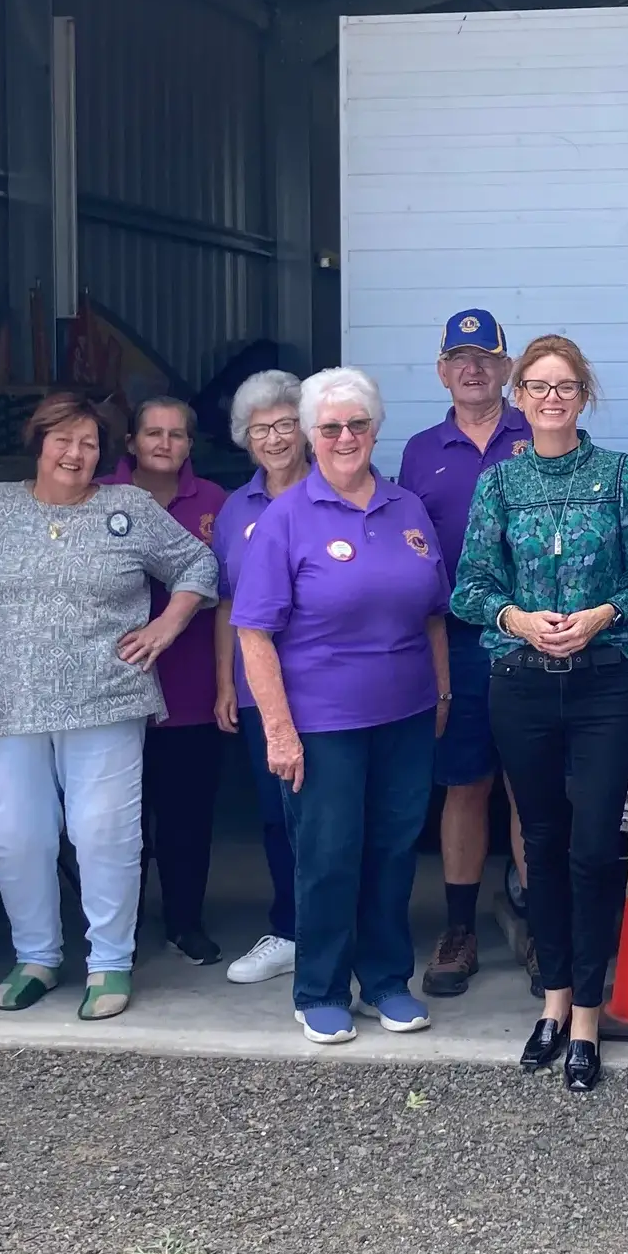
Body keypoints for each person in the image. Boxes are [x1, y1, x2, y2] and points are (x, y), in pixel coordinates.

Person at [0, 391, 219, 1020]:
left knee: (102, 832)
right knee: (15, 836)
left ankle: (108, 964)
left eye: (90, 443)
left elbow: (197, 564)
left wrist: (165, 628)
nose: (76, 453)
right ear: (37, 443)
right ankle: (36, 956)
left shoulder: (126, 507)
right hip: (9, 701)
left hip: (106, 695)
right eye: (63, 440)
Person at [450, 334, 628, 1091]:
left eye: (565, 386)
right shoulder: (500, 486)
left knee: (589, 846)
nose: (551, 398)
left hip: (603, 681)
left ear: (585, 396)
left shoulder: (621, 477)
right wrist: (516, 618)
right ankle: (550, 1005)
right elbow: (470, 586)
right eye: (537, 387)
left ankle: (588, 1011)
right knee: (539, 843)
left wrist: (602, 612)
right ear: (519, 399)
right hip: (520, 681)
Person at [232, 369, 453, 1045]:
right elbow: (254, 632)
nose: (345, 437)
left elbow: (434, 616)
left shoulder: (406, 508)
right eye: (330, 427)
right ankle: (321, 989)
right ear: (309, 436)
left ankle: (386, 981)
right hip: (322, 725)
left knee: (392, 853)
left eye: (357, 424)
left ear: (375, 428)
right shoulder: (286, 518)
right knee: (329, 856)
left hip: (406, 716)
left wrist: (441, 694)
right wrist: (278, 729)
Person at [394, 309, 532, 998]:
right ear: (443, 370)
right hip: (459, 641)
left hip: (537, 638)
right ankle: (459, 929)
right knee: (464, 783)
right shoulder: (421, 451)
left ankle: (540, 927)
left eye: (486, 357)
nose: (473, 369)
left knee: (532, 786)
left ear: (507, 368)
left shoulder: (540, 432)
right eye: (460, 358)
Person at [102, 398, 230, 969]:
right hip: (110, 685)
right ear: (130, 441)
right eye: (152, 432)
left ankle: (185, 921)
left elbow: (228, 594)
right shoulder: (99, 493)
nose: (163, 443)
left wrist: (226, 681)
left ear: (190, 445)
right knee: (115, 819)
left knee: (186, 815)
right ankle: (114, 931)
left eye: (177, 435)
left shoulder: (214, 503)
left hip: (191, 682)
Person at [210, 370, 308, 988]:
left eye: (284, 424)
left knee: (337, 813)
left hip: (333, 686)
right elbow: (225, 603)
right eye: (260, 429)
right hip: (258, 690)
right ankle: (290, 929)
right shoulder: (234, 508)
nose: (273, 438)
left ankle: (342, 928)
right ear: (245, 440)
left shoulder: (338, 491)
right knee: (277, 813)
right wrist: (226, 683)